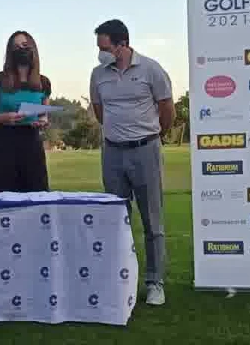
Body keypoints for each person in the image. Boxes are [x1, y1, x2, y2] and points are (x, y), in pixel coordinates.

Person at [89, 19, 175, 306]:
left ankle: (155, 282)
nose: (100, 53)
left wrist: (153, 135)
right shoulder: (98, 74)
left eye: (104, 48)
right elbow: (99, 111)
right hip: (112, 152)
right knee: (116, 219)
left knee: (152, 220)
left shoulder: (151, 69)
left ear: (122, 44)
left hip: (145, 150)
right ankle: (121, 279)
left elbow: (167, 109)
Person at [0, 31, 51, 192]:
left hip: (31, 143)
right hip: (2, 143)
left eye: (24, 45)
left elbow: (44, 114)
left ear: (33, 48)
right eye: (16, 47)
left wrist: (43, 121)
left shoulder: (43, 82)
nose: (21, 50)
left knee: (36, 193)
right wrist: (6, 117)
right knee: (1, 194)